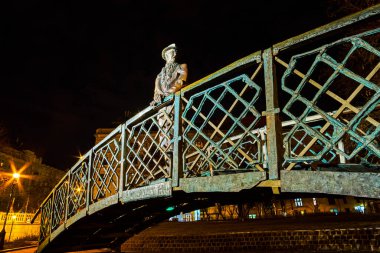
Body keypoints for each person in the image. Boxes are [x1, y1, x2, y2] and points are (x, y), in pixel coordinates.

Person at [151, 44, 188, 174]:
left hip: (174, 103)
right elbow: (157, 88)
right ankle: (168, 169)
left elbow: (181, 80)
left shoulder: (181, 66)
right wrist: (156, 97)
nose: (171, 55)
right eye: (168, 53)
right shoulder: (160, 74)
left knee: (176, 134)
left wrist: (171, 92)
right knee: (164, 138)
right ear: (165, 57)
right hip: (162, 108)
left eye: (173, 53)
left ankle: (179, 171)